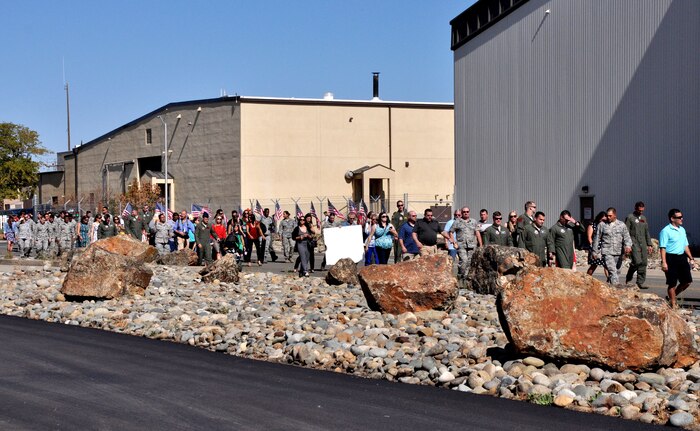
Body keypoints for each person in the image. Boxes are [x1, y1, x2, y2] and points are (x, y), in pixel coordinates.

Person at [660, 208, 695, 308]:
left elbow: (685, 246)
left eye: (682, 216)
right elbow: (663, 247)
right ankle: (673, 304)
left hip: (682, 258)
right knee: (672, 283)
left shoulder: (682, 230)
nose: (682, 219)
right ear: (672, 218)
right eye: (679, 217)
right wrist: (664, 262)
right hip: (670, 258)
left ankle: (672, 296)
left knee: (687, 281)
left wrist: (691, 258)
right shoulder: (665, 231)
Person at [592, 207, 632, 286]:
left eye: (610, 216)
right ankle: (617, 288)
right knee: (612, 271)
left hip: (619, 252)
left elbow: (627, 237)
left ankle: (610, 288)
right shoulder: (602, 225)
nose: (608, 217)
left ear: (615, 215)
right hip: (607, 252)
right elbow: (596, 238)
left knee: (617, 272)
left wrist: (628, 246)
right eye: (607, 215)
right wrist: (594, 251)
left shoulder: (621, 225)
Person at [625, 201, 653, 289]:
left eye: (642, 210)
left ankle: (640, 282)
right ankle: (629, 278)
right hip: (633, 242)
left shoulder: (643, 218)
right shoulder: (630, 217)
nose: (640, 212)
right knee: (637, 261)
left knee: (643, 262)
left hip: (643, 242)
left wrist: (649, 244)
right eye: (639, 210)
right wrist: (627, 244)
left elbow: (646, 232)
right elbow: (626, 231)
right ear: (635, 208)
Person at [449, 207, 480, 279]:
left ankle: (466, 279)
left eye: (467, 211)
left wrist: (480, 244)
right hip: (461, 245)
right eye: (464, 212)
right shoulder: (457, 221)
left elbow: (477, 232)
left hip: (472, 245)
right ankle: (460, 276)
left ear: (469, 212)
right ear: (461, 213)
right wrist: (454, 242)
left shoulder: (473, 221)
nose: (466, 213)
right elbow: (451, 232)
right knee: (464, 261)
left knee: (470, 262)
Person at [586, 211, 609, 278]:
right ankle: (587, 278)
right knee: (594, 265)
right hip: (595, 247)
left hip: (604, 247)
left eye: (605, 220)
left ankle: (609, 280)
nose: (603, 221)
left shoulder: (606, 225)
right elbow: (589, 237)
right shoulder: (592, 225)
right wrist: (592, 247)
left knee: (607, 264)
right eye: (602, 219)